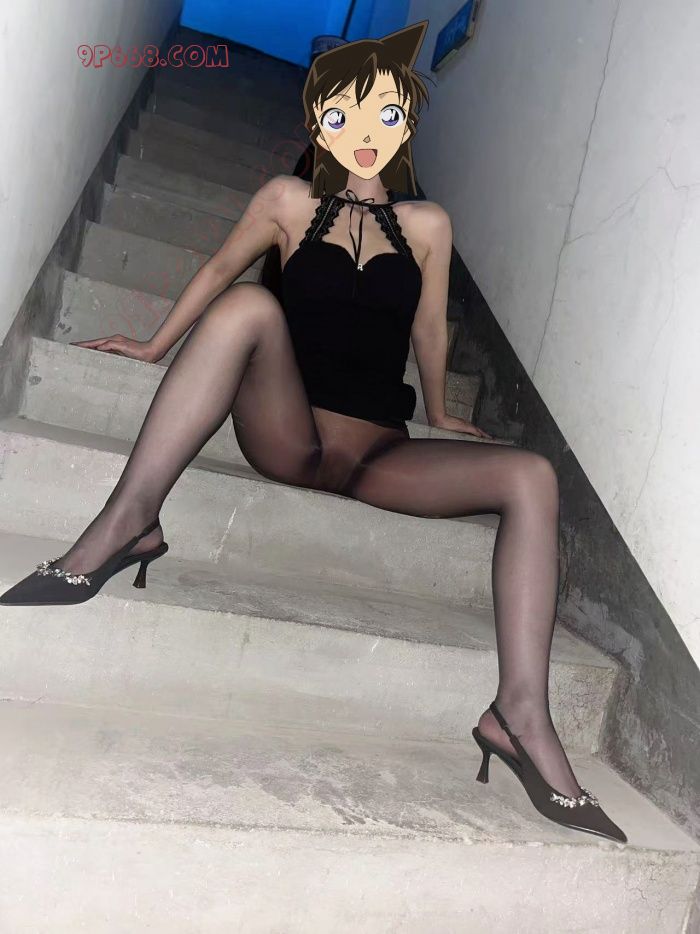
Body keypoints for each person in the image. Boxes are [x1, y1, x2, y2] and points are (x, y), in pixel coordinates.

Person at [0, 22, 626, 844]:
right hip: (289, 433)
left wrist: (440, 413)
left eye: (386, 115)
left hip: (380, 452)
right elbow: (221, 270)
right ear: (317, 121)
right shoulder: (285, 202)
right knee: (250, 305)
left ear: (406, 125)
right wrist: (153, 346)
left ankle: (518, 715)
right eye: (345, 115)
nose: (366, 133)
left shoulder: (429, 225)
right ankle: (131, 519)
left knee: (533, 474)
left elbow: (429, 329)